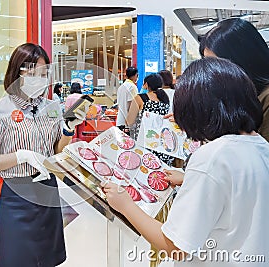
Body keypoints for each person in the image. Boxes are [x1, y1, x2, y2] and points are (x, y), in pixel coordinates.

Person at [104, 57, 269, 266]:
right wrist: (188, 178)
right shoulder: (260, 145)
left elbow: (176, 247)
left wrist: (125, 205)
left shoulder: (212, 157)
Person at [0, 43, 88, 266]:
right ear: (17, 72)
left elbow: (57, 151)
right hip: (15, 194)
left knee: (47, 257)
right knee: (14, 258)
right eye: (33, 72)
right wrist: (19, 156)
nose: (40, 78)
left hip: (47, 188)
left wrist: (68, 129)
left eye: (44, 73)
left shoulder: (52, 107)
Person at [201, 18, 269, 142]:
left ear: (243, 59)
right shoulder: (237, 94)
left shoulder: (265, 98)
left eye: (218, 64)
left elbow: (260, 155)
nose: (212, 71)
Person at [126, 73, 174, 166]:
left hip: (144, 141)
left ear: (146, 84)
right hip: (161, 142)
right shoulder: (165, 99)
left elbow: (129, 121)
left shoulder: (140, 98)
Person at [116, 66, 138, 135]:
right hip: (127, 123)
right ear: (135, 75)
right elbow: (131, 104)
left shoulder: (121, 87)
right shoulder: (132, 87)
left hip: (120, 120)